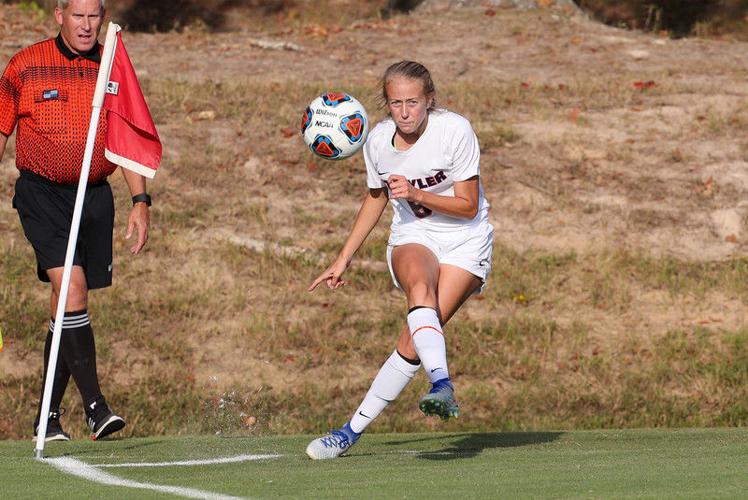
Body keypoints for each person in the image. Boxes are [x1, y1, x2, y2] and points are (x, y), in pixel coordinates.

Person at [305, 61, 494, 459]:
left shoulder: (454, 130)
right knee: (419, 291)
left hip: (466, 237)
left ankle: (350, 431)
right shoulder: (376, 141)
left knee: (414, 339)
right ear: (386, 104)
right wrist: (343, 259)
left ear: (429, 101)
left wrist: (415, 193)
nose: (405, 112)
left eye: (413, 102)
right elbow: (376, 197)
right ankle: (442, 384)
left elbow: (467, 205)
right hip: (414, 234)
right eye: (395, 103)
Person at [0, 0, 151, 441]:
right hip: (41, 193)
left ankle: (46, 419)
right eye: (77, 16)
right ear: (59, 15)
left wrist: (141, 200)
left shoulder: (110, 67)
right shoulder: (26, 65)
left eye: (94, 17)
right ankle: (95, 406)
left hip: (94, 197)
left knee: (65, 303)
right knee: (72, 287)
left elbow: (125, 137)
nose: (86, 26)